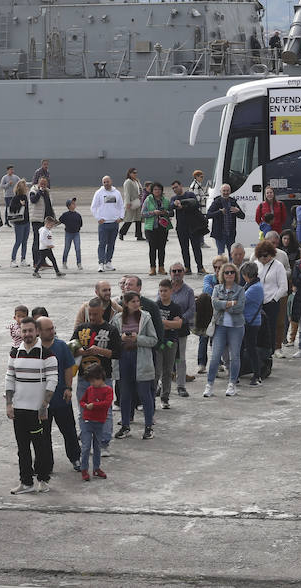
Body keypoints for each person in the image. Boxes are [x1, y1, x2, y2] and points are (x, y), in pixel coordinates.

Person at [4, 317, 56, 494]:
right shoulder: (14, 353)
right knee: (23, 449)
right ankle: (26, 482)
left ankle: (42, 479)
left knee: (40, 447)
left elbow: (52, 380)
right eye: (23, 331)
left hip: (37, 412)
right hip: (19, 410)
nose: (27, 334)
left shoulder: (47, 354)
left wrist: (44, 405)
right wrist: (9, 404)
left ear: (37, 332)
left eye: (30, 331)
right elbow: (9, 378)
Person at [71, 298, 118, 455]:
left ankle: (103, 443)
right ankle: (87, 440)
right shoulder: (81, 328)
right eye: (90, 314)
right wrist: (80, 352)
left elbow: (118, 353)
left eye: (95, 314)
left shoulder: (111, 330)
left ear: (102, 312)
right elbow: (71, 347)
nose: (92, 317)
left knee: (106, 411)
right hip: (84, 377)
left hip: (104, 379)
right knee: (83, 410)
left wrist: (99, 350)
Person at [35, 316, 81, 473]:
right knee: (43, 436)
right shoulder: (34, 348)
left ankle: (75, 458)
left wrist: (68, 388)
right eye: (48, 329)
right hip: (42, 403)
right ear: (38, 331)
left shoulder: (61, 346)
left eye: (53, 328)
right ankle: (46, 464)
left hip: (61, 398)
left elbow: (69, 367)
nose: (52, 331)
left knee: (69, 431)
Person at [111, 292, 158, 438]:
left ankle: (148, 426)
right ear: (125, 303)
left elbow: (153, 340)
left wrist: (138, 338)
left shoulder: (146, 317)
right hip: (124, 358)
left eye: (138, 301)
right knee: (125, 394)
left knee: (144, 394)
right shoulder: (117, 319)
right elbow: (112, 341)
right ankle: (125, 425)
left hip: (141, 358)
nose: (136, 304)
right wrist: (122, 338)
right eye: (133, 301)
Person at [203, 263, 244, 397]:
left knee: (235, 356)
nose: (229, 275)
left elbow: (240, 308)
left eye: (232, 272)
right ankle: (209, 385)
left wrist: (224, 304)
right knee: (215, 356)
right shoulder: (217, 288)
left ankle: (232, 384)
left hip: (236, 327)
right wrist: (231, 303)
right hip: (220, 326)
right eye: (226, 272)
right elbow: (214, 303)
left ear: (235, 274)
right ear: (222, 275)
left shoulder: (240, 290)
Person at [155, 276, 189, 408]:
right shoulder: (155, 306)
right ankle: (151, 396)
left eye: (165, 291)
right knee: (156, 371)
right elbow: (154, 325)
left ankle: (165, 398)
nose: (163, 293)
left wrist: (163, 323)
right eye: (161, 291)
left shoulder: (176, 307)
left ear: (171, 291)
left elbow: (178, 325)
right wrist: (170, 323)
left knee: (167, 371)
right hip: (158, 342)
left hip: (172, 342)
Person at [255, 240, 289, 371]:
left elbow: (283, 287)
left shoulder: (278, 266)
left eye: (266, 255)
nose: (264, 258)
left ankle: (269, 354)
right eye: (261, 256)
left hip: (271, 303)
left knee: (271, 329)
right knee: (257, 329)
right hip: (257, 303)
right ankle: (259, 355)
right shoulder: (255, 264)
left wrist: (273, 299)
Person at [76, 366, 113, 481]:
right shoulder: (90, 389)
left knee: (97, 447)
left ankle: (96, 468)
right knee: (86, 446)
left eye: (93, 381)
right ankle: (84, 469)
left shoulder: (108, 390)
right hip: (87, 422)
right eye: (90, 382)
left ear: (100, 378)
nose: (92, 384)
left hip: (99, 423)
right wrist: (85, 406)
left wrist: (93, 405)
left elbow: (107, 403)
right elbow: (82, 401)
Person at [169, 180, 206, 274]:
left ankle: (200, 267)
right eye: (173, 188)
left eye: (176, 187)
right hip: (181, 227)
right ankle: (187, 267)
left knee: (196, 247)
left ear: (181, 186)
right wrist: (175, 204)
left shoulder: (190, 194)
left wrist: (183, 206)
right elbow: (170, 206)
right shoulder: (174, 198)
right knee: (184, 248)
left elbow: (195, 204)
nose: (175, 189)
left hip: (193, 226)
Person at [89, 176, 124, 272]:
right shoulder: (99, 193)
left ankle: (108, 262)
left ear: (111, 181)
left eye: (107, 181)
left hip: (114, 223)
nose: (106, 183)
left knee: (111, 244)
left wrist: (121, 217)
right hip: (103, 224)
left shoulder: (117, 193)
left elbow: (121, 206)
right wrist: (98, 218)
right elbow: (93, 207)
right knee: (102, 244)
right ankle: (101, 263)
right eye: (104, 182)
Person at [240, 262, 266, 386]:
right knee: (244, 348)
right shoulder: (252, 284)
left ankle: (257, 374)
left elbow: (241, 300)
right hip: (249, 321)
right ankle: (241, 372)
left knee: (251, 349)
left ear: (246, 275)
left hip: (251, 323)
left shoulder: (255, 288)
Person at [142, 182, 172, 276]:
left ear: (161, 190)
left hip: (163, 227)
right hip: (151, 227)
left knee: (162, 248)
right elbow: (143, 213)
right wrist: (153, 212)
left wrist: (165, 212)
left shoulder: (166, 200)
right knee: (152, 248)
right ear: (152, 191)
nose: (157, 191)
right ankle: (152, 268)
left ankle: (161, 267)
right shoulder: (148, 200)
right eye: (155, 189)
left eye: (159, 189)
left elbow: (171, 213)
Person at [206, 184, 242, 255]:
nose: (226, 192)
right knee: (221, 255)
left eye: (227, 191)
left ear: (230, 191)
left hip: (230, 234)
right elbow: (208, 215)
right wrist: (220, 212)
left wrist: (238, 211)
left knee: (232, 254)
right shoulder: (216, 202)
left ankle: (231, 266)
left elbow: (242, 216)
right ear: (220, 191)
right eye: (224, 191)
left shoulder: (233, 202)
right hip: (220, 234)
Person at [28, 176, 54, 271]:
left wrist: (52, 218)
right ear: (38, 183)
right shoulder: (33, 190)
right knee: (37, 241)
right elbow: (33, 200)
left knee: (45, 241)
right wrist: (39, 192)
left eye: (44, 183)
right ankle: (36, 262)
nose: (43, 185)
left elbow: (49, 206)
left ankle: (43, 261)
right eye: (41, 183)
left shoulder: (47, 192)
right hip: (37, 220)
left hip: (45, 221)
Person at [7, 180, 30, 268]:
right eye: (25, 186)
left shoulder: (25, 196)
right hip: (19, 223)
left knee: (25, 241)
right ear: (21, 188)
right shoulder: (15, 198)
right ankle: (13, 260)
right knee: (18, 241)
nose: (26, 188)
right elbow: (11, 209)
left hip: (26, 222)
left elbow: (27, 209)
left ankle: (23, 259)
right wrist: (20, 205)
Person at [118, 168, 144, 241]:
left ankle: (139, 235)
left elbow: (140, 190)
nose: (135, 174)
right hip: (131, 203)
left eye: (136, 172)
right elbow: (127, 193)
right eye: (133, 172)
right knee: (129, 219)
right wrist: (127, 203)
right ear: (129, 173)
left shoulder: (137, 181)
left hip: (138, 202)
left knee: (138, 219)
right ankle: (121, 232)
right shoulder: (128, 182)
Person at [58, 197, 83, 270]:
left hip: (76, 233)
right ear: (69, 206)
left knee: (78, 249)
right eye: (72, 203)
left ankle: (79, 263)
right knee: (66, 248)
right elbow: (59, 221)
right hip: (68, 233)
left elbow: (80, 224)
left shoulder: (78, 215)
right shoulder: (65, 214)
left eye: (74, 203)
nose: (74, 204)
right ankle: (64, 262)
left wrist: (77, 228)